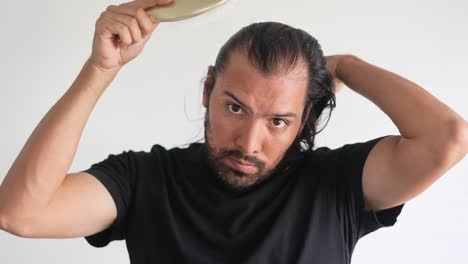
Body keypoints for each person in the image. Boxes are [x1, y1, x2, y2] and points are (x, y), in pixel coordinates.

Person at [0, 0, 466, 263]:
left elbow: (448, 139)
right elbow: (21, 214)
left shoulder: (338, 184)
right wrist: (101, 69)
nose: (248, 142)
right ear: (208, 90)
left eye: (278, 120)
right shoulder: (146, 180)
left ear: (305, 119)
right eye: (235, 108)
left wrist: (347, 66)